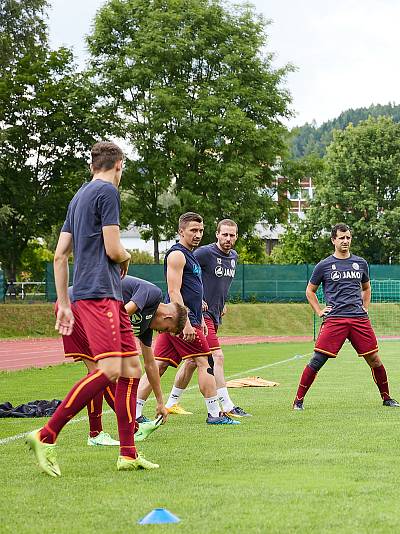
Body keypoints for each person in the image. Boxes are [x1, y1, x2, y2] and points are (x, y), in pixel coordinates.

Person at [26, 141, 159, 476]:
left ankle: (128, 453)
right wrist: (126, 257)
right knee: (111, 370)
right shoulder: (108, 193)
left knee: (131, 369)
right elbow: (115, 249)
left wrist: (65, 304)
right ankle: (46, 434)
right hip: (101, 294)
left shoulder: (78, 196)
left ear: (91, 165)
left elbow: (59, 255)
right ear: (119, 165)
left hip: (93, 294)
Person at [136, 212, 240, 425]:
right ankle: (215, 414)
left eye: (200, 230)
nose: (198, 234)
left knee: (159, 365)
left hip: (188, 318)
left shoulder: (190, 254)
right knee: (205, 361)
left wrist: (199, 316)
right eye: (193, 230)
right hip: (179, 320)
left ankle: (134, 413)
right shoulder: (177, 255)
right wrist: (186, 323)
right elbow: (174, 292)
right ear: (181, 231)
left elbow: (193, 289)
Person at [66, 276, 187, 444]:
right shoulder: (153, 292)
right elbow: (122, 312)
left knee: (100, 373)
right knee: (104, 373)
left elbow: (150, 364)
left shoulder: (147, 322)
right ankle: (91, 433)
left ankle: (102, 432)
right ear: (167, 317)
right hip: (79, 304)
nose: (161, 333)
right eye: (166, 329)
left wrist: (161, 402)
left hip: (82, 309)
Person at [292, 223, 399, 410]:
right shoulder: (324, 265)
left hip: (359, 318)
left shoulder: (360, 263)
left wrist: (365, 307)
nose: (345, 241)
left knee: (374, 359)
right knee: (317, 360)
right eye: (341, 238)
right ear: (333, 240)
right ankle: (298, 401)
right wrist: (319, 311)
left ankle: (387, 398)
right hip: (335, 319)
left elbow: (366, 288)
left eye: (348, 237)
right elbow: (310, 291)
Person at [161, 219, 250, 418]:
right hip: (200, 314)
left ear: (236, 236)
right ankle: (225, 406)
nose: (228, 238)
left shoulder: (233, 256)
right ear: (217, 234)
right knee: (215, 357)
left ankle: (171, 403)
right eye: (224, 234)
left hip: (215, 313)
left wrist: (222, 302)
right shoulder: (202, 253)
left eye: (232, 235)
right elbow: (187, 277)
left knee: (191, 362)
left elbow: (220, 283)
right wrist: (197, 301)